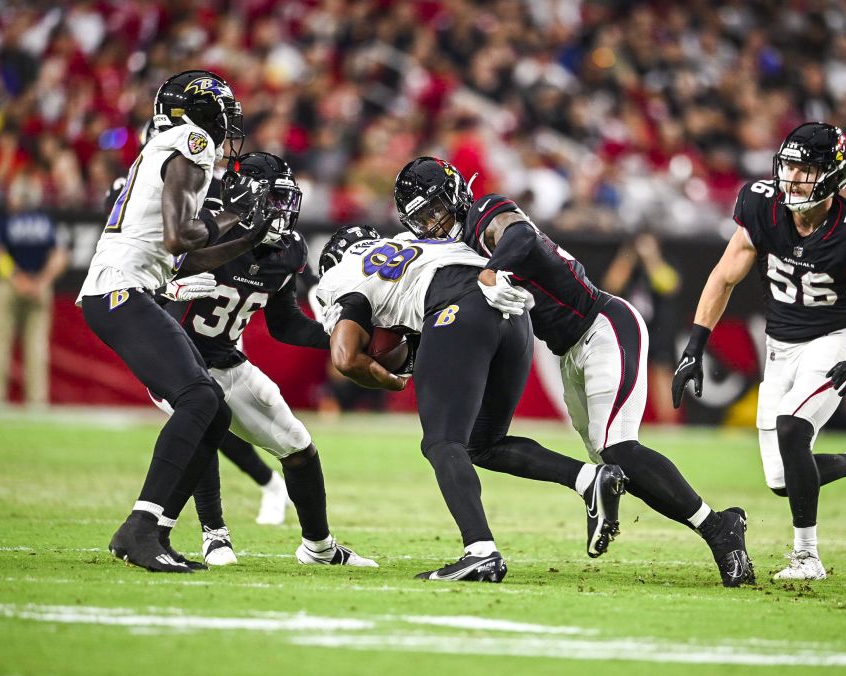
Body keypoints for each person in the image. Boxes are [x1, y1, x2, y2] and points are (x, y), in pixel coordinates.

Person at [393, 157, 754, 587]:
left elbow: (520, 234)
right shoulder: (450, 250)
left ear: (454, 195)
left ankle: (719, 528)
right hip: (568, 350)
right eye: (422, 219)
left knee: (617, 450)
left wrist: (492, 269)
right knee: (604, 461)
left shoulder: (484, 212)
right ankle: (709, 523)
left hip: (602, 325)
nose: (433, 224)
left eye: (436, 210)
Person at [672, 122, 846, 581]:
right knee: (783, 479)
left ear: (831, 175)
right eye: (788, 166)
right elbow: (723, 277)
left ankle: (807, 557)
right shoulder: (761, 206)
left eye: (804, 169)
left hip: (831, 341)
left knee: (792, 428)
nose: (792, 178)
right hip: (779, 349)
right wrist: (694, 346)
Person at [316, 225, 626, 582]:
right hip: (510, 306)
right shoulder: (405, 241)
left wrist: (391, 381)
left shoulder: (343, 275)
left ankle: (480, 551)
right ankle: (590, 478)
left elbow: (344, 358)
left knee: (442, 441)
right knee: (483, 443)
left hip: (458, 309)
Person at [77, 69, 276, 573]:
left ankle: (156, 529)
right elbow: (179, 237)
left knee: (212, 407)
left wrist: (248, 236)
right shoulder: (191, 141)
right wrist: (233, 215)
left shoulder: (167, 143)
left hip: (125, 287)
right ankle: (141, 527)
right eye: (222, 116)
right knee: (198, 397)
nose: (227, 130)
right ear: (201, 116)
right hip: (122, 288)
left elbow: (188, 256)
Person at [153, 153, 376, 568]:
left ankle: (320, 549)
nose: (283, 212)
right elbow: (143, 289)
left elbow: (285, 324)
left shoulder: (287, 250)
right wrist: (167, 292)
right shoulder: (200, 230)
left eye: (285, 201)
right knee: (205, 414)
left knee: (298, 446)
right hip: (172, 357)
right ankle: (213, 534)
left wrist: (338, 336)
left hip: (227, 359)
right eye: (273, 200)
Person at [108, 123, 292, 529]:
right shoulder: (145, 191)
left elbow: (192, 256)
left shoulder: (200, 192)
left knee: (203, 409)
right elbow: (150, 266)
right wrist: (170, 286)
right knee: (201, 409)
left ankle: (212, 528)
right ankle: (213, 522)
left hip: (197, 326)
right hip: (149, 306)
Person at [0, 175, 68, 407]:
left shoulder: (7, 222)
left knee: (0, 346)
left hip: (8, 287)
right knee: (37, 347)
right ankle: (37, 403)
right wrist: (43, 281)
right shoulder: (46, 222)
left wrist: (16, 279)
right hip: (38, 287)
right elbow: (60, 255)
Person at [601, 232, 682, 424]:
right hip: (631, 328)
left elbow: (669, 286)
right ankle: (620, 421)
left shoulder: (665, 262)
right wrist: (627, 256)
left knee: (662, 371)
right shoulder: (628, 265)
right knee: (625, 373)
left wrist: (652, 258)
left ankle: (668, 423)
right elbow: (611, 284)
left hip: (658, 328)